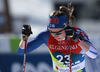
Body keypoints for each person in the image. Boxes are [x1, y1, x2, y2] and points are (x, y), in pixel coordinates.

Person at [18, 3, 97, 72]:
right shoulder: (46, 35)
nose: (55, 36)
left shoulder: (77, 33)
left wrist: (76, 39)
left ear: (66, 27)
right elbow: (22, 52)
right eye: (52, 32)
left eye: (58, 32)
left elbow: (93, 55)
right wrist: (24, 38)